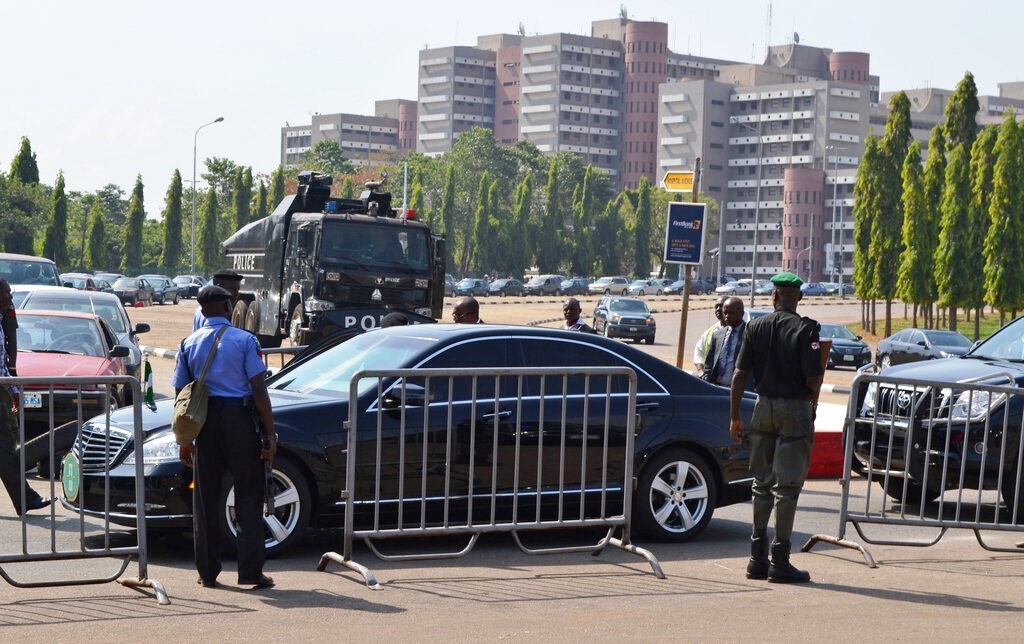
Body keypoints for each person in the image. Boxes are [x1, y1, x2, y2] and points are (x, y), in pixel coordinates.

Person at [174, 285, 277, 589]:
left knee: (205, 499)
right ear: (229, 307)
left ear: (202, 310)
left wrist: (185, 440)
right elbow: (259, 390)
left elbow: (182, 392)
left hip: (204, 422)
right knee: (248, 493)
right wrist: (270, 433)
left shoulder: (188, 343)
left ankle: (207, 573)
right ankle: (250, 573)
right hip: (240, 420)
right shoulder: (246, 341)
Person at [729, 272, 823, 584]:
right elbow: (812, 379)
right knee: (787, 488)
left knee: (761, 483)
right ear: (798, 297)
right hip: (794, 409)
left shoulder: (755, 326)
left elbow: (740, 374)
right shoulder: (806, 328)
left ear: (774, 296)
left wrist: (734, 417)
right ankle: (780, 561)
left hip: (762, 407)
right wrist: (816, 396)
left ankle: (756, 559)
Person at [0, 279, 53, 516]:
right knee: (6, 446)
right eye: (6, 293)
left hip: (4, 386)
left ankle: (25, 499)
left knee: (5, 446)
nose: (10, 298)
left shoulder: (4, 316)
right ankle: (25, 499)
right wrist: (13, 390)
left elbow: (7, 352)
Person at [703, 297, 745, 386]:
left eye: (731, 313)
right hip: (717, 388)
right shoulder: (717, 335)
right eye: (725, 313)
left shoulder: (749, 334)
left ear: (741, 313)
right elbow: (709, 364)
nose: (727, 316)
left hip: (739, 389)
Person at [693, 297, 726, 374]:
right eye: (716, 307)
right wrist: (700, 371)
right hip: (711, 379)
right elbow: (699, 353)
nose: (718, 309)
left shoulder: (742, 331)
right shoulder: (710, 332)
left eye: (721, 306)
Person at [0, 278, 17, 376]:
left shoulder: (8, 304)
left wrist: (12, 367)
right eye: (7, 292)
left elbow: (12, 335)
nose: (11, 297)